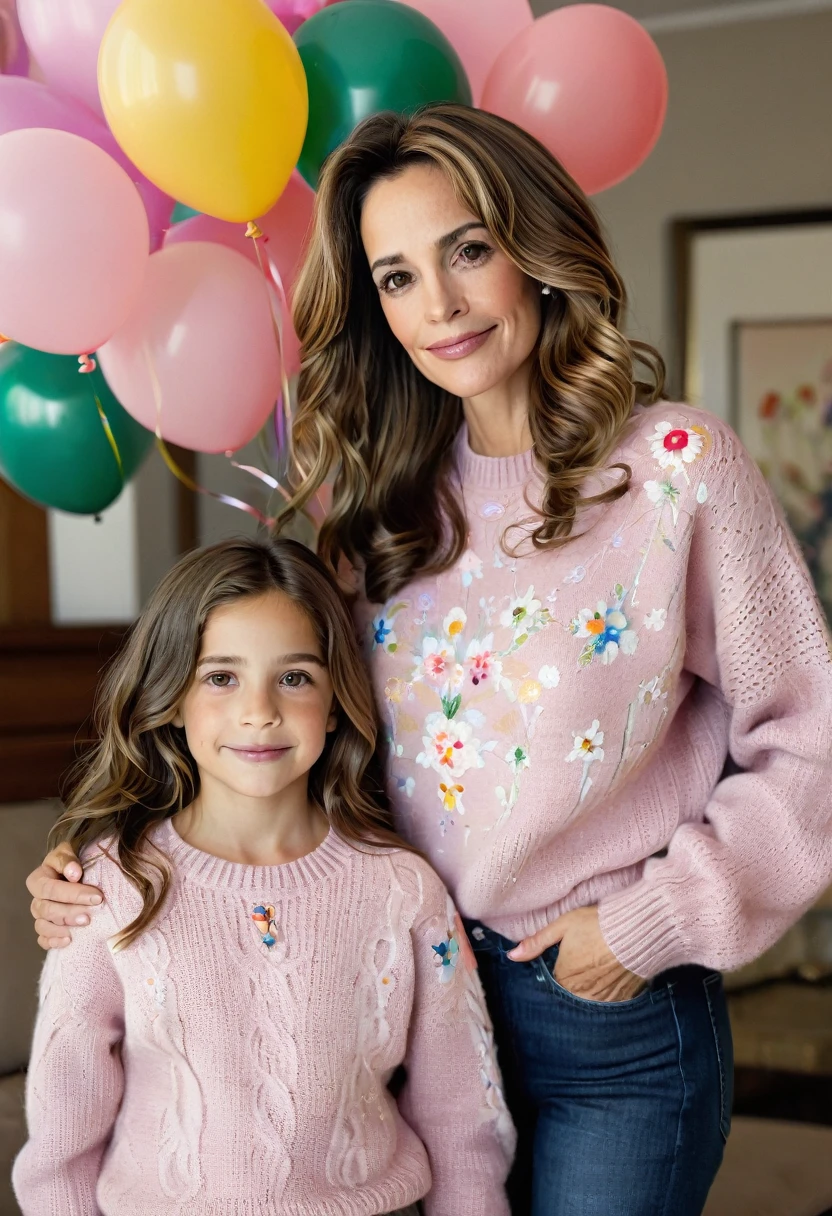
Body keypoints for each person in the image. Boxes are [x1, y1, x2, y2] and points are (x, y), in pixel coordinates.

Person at [29, 104, 832, 1216]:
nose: (440, 305)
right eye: (395, 276)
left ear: (537, 250)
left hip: (605, 1013)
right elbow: (284, 738)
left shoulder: (675, 471)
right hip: (388, 1013)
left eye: (468, 250)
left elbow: (813, 744)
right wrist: (98, 864)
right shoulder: (375, 514)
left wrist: (649, 923)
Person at [15, 538, 514, 1216]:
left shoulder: (403, 889)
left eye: (295, 677)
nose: (260, 710)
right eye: (221, 677)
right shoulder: (108, 888)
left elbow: (462, 1117)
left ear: (335, 701)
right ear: (172, 697)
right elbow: (62, 1135)